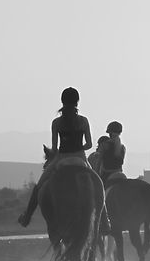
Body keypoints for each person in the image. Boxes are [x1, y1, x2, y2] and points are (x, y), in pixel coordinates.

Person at [17, 87, 93, 227]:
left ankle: (27, 216)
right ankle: (105, 220)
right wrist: (78, 148)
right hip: (81, 158)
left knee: (39, 187)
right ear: (77, 101)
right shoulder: (83, 120)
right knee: (98, 184)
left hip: (61, 158)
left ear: (62, 101)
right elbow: (89, 144)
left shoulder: (56, 123)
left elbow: (54, 147)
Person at [98, 121, 126, 185]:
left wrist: (96, 175)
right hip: (120, 175)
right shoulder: (123, 148)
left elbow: (99, 163)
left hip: (106, 176)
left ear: (109, 133)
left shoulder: (104, 145)